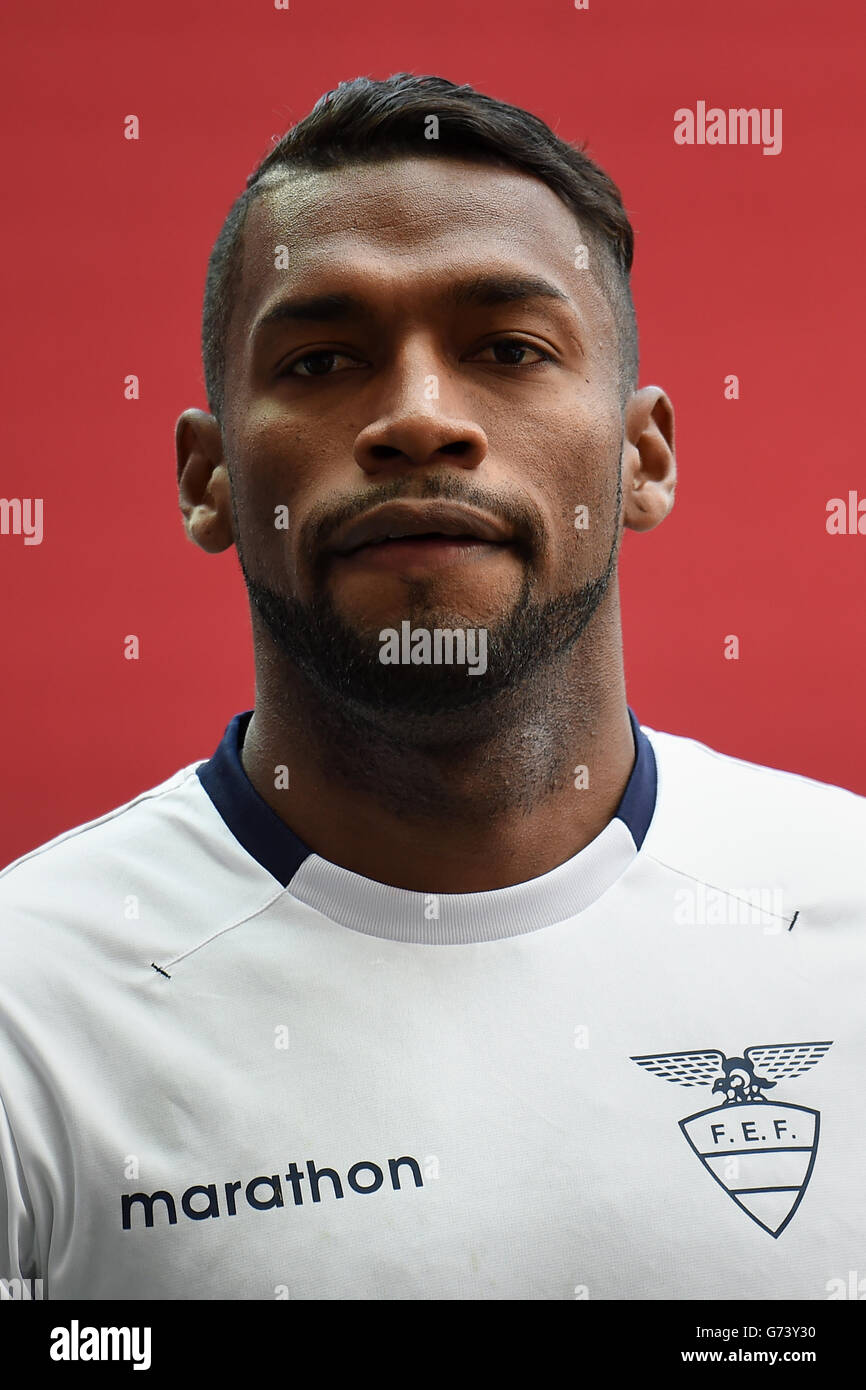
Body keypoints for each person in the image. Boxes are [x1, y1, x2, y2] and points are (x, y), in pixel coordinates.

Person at [1, 73, 863, 1302]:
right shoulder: (27, 1008)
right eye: (322, 359)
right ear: (209, 479)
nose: (415, 418)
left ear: (641, 457)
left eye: (507, 348)